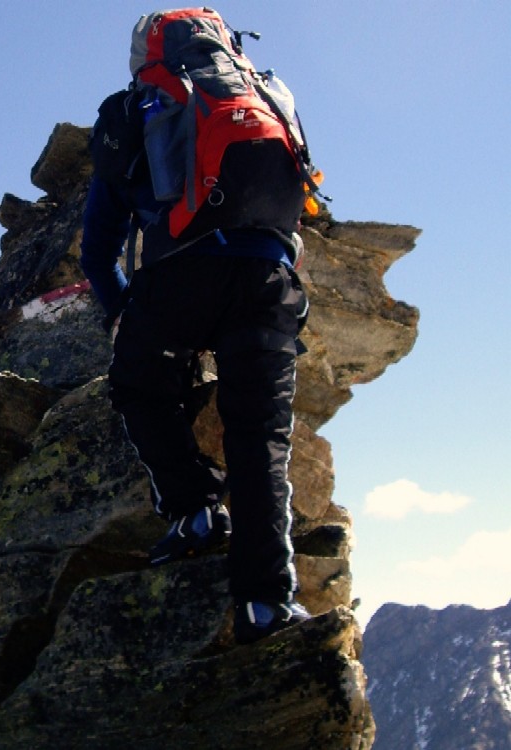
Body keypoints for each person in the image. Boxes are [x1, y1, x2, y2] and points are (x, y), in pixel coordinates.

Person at [81, 98, 312, 645]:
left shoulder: (134, 113)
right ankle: (266, 602)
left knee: (140, 386)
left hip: (179, 282)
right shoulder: (265, 99)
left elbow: (97, 252)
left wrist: (123, 315)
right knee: (260, 437)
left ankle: (196, 511)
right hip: (267, 277)